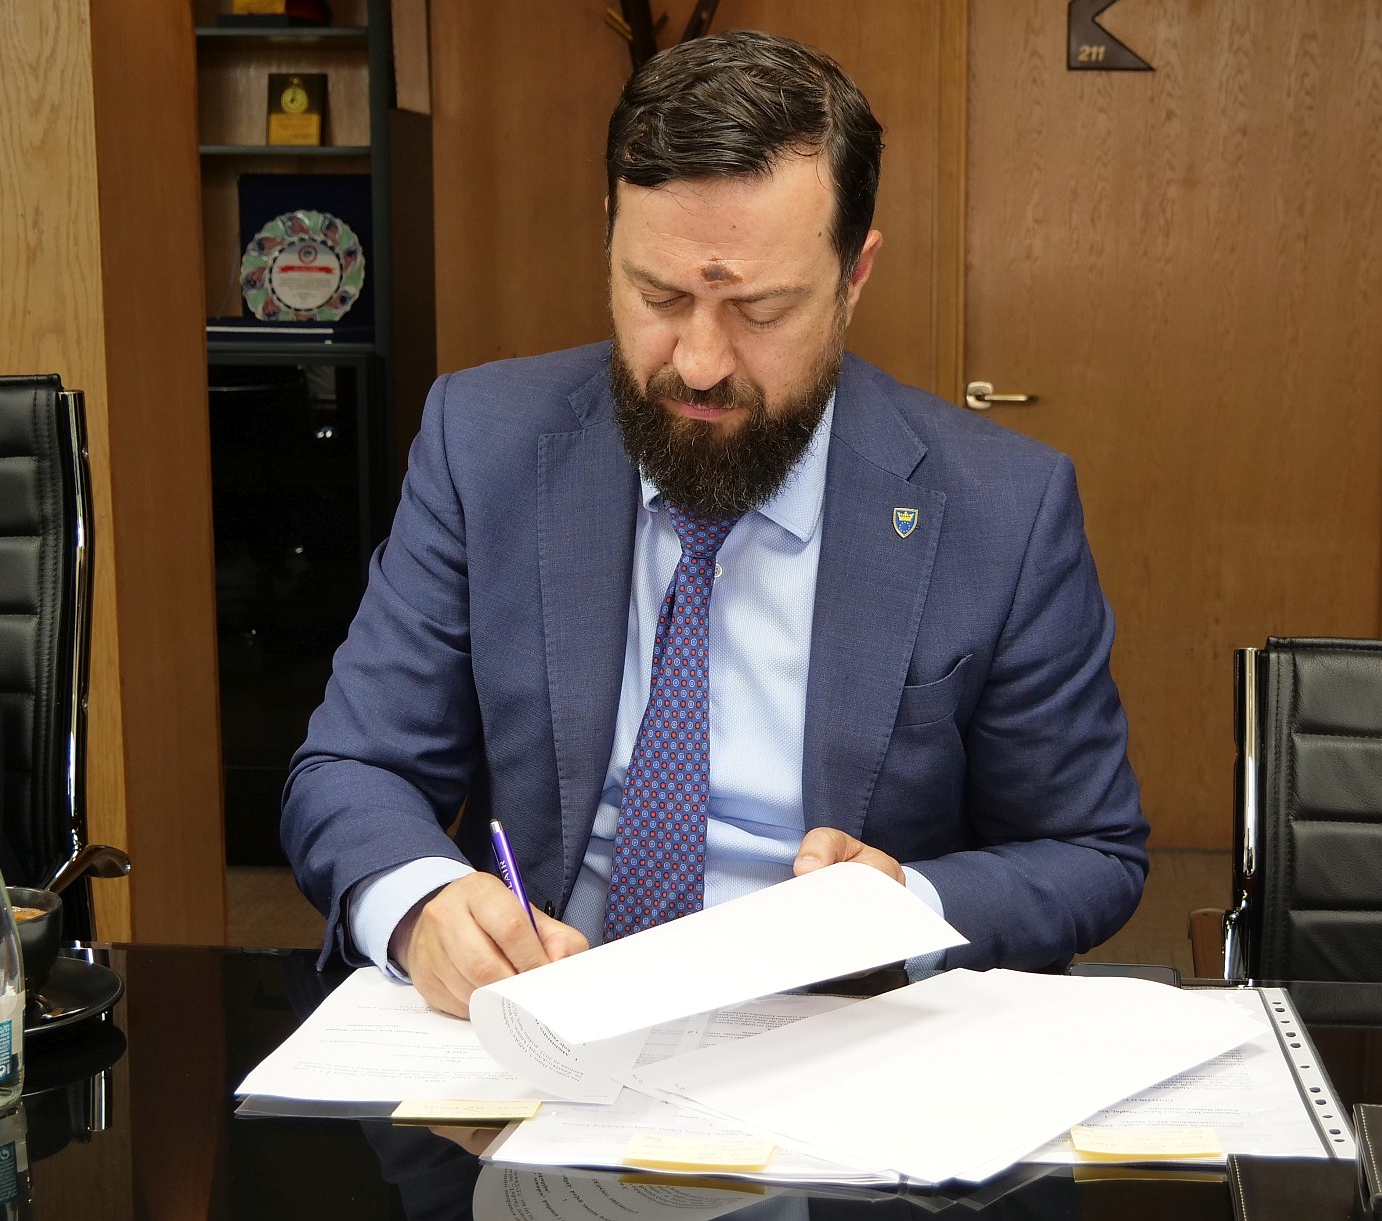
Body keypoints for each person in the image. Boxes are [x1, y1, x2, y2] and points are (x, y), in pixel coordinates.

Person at [282, 30, 1147, 1017]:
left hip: (834, 1040)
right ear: (610, 238)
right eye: (658, 295)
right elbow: (352, 767)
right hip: (550, 1036)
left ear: (855, 276)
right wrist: (421, 907)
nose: (698, 362)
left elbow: (1089, 851)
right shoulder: (484, 445)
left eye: (760, 311)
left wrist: (906, 908)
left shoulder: (1003, 509)